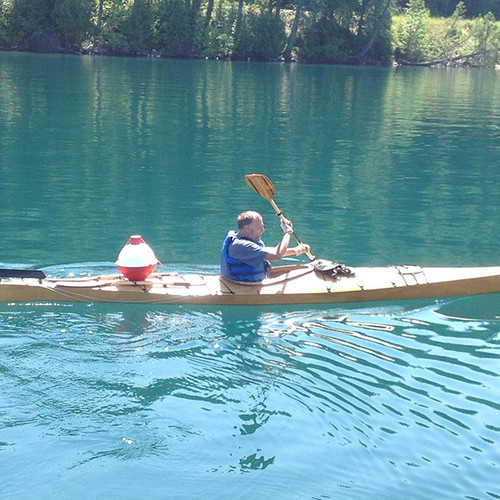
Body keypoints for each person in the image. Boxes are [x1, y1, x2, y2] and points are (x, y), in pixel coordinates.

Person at [220, 211, 311, 282]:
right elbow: (277, 255)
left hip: (246, 281)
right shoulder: (241, 245)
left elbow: (271, 252)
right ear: (247, 228)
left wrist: (296, 250)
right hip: (241, 285)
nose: (263, 230)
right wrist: (287, 232)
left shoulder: (246, 240)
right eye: (260, 227)